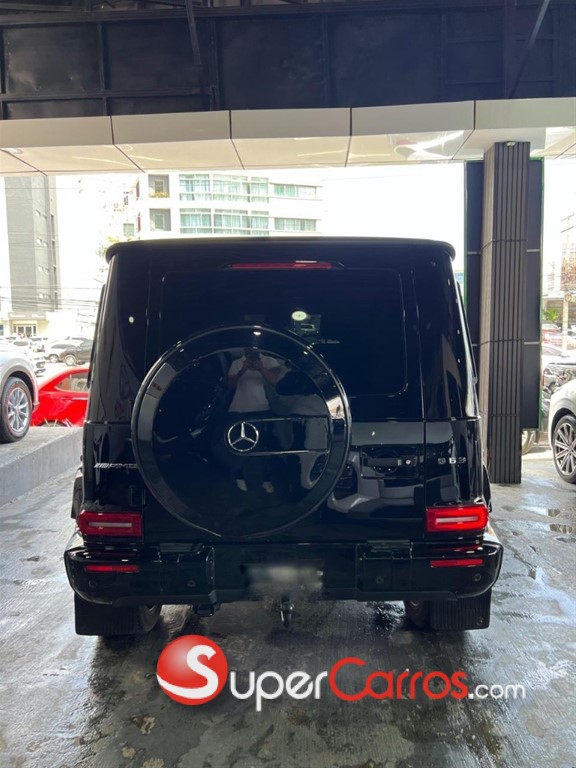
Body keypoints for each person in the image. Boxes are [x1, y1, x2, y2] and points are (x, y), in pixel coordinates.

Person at [227, 348, 282, 492]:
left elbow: (275, 381)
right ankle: (240, 477)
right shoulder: (237, 363)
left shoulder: (270, 361)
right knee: (240, 444)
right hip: (240, 409)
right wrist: (242, 370)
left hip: (264, 408)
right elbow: (230, 385)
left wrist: (261, 368)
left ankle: (266, 479)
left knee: (265, 444)